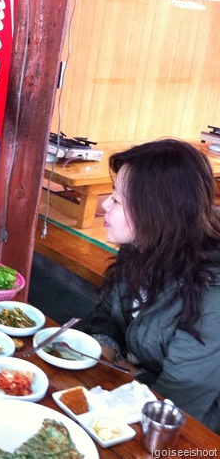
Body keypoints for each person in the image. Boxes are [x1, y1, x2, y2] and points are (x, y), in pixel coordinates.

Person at [83, 138, 220, 434]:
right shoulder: (142, 246)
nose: (105, 204)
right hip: (127, 395)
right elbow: (108, 313)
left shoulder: (211, 294)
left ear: (156, 214)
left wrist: (130, 374)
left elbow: (179, 400)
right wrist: (103, 353)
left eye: (117, 200)